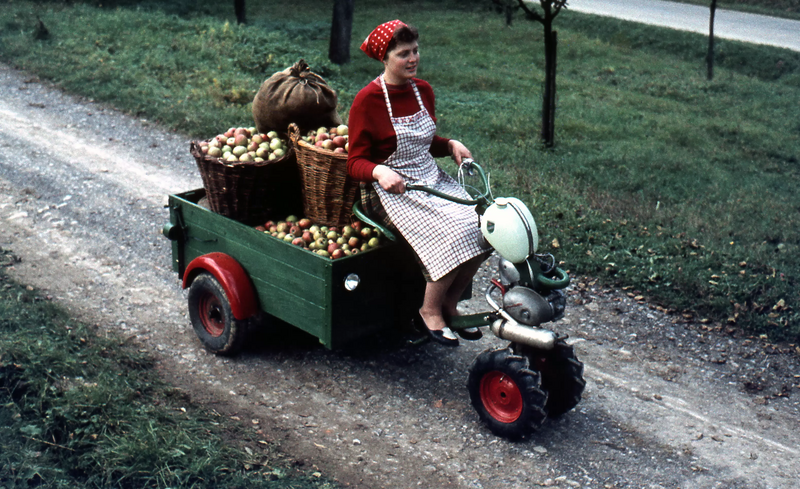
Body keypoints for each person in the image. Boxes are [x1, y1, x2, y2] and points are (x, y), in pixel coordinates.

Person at [347, 20, 489, 347]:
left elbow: (423, 143)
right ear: (384, 58)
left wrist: (449, 144)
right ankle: (429, 310)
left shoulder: (422, 90)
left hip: (428, 178)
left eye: (415, 51)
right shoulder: (367, 100)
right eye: (403, 54)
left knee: (484, 225)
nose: (412, 59)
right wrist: (379, 172)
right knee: (452, 233)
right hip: (388, 190)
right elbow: (354, 162)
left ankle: (449, 303)